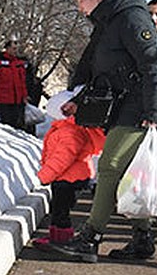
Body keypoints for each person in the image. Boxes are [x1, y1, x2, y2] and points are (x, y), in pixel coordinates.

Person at [57, 0, 157, 263]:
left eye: (81, 1)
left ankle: (91, 236)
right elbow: (101, 69)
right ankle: (142, 238)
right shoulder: (109, 19)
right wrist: (79, 99)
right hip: (122, 104)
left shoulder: (131, 17)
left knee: (110, 166)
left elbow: (155, 65)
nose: (80, 9)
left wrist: (154, 112)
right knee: (128, 172)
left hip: (138, 106)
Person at [31, 97, 106, 250]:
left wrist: (44, 176)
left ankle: (60, 239)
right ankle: (56, 236)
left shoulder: (69, 132)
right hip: (68, 177)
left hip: (69, 179)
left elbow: (62, 159)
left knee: (60, 211)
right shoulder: (66, 128)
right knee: (58, 208)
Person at [0, 38, 39, 131]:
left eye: (16, 49)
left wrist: (25, 96)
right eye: (13, 48)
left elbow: (22, 82)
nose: (15, 51)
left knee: (16, 126)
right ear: (7, 48)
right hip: (2, 100)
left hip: (17, 100)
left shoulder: (18, 64)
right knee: (4, 126)